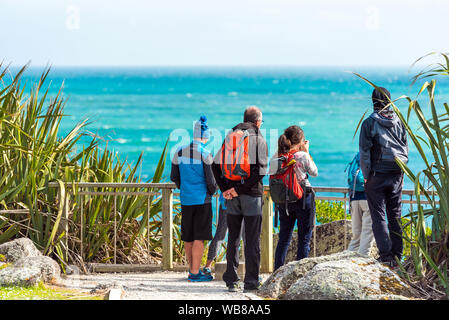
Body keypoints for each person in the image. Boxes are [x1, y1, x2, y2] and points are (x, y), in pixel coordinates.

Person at [212, 106, 268, 293]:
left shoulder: (230, 136)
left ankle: (232, 280)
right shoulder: (257, 138)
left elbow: (214, 165)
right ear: (257, 121)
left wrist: (226, 189)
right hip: (251, 196)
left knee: (233, 238)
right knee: (252, 239)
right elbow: (260, 171)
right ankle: (251, 282)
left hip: (231, 197)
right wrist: (239, 189)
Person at [359, 87, 408, 268]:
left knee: (379, 216)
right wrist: (402, 167)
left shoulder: (369, 123)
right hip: (397, 173)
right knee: (395, 214)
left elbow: (364, 152)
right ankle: (398, 255)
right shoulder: (399, 121)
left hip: (376, 175)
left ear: (373, 101)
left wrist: (366, 175)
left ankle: (386, 256)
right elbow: (405, 146)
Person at [170, 115, 217, 282]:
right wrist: (213, 192)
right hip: (202, 200)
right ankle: (196, 273)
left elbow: (174, 176)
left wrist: (185, 188)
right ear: (206, 136)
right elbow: (211, 181)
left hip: (186, 199)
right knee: (199, 237)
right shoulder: (206, 153)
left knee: (188, 237)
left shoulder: (179, 152)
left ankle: (192, 270)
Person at [272, 125, 318, 271]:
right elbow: (314, 172)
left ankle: (277, 272)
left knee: (284, 238)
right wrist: (307, 152)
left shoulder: (277, 157)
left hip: (284, 200)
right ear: (300, 141)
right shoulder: (302, 156)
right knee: (304, 238)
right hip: (303, 198)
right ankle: (300, 274)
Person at [202, 193, 244, 276]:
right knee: (241, 236)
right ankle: (208, 265)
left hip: (227, 202)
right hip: (237, 204)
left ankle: (208, 266)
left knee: (220, 235)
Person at [346, 152, 374, 257]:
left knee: (356, 235)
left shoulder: (359, 155)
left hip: (354, 198)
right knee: (367, 233)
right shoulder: (375, 155)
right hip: (368, 199)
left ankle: (348, 259)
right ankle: (363, 259)